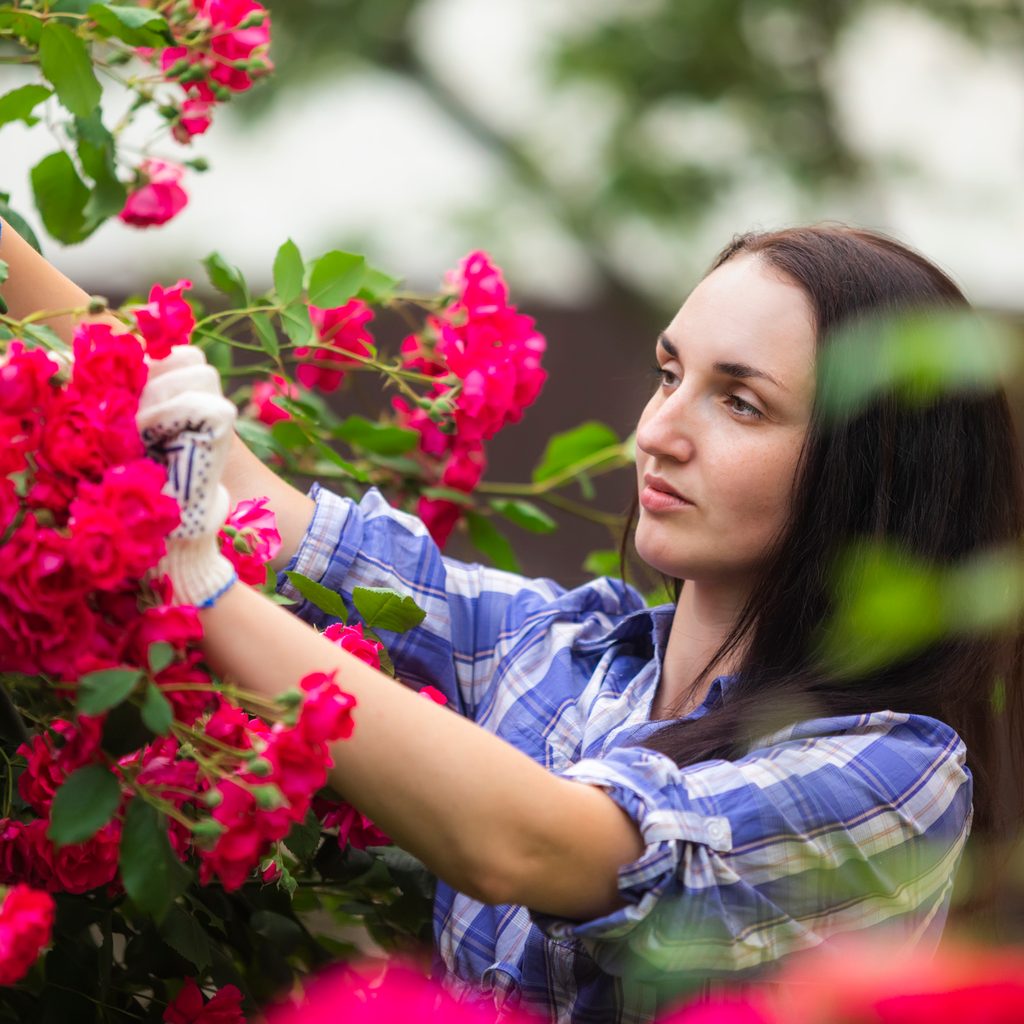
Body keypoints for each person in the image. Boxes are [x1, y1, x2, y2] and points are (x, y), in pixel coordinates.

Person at [2, 221, 1022, 1023]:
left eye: (740, 403)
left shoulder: (895, 770)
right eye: (670, 373)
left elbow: (538, 845)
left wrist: (204, 590)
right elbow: (256, 497)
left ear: (869, 471)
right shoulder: (573, 655)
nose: (656, 432)